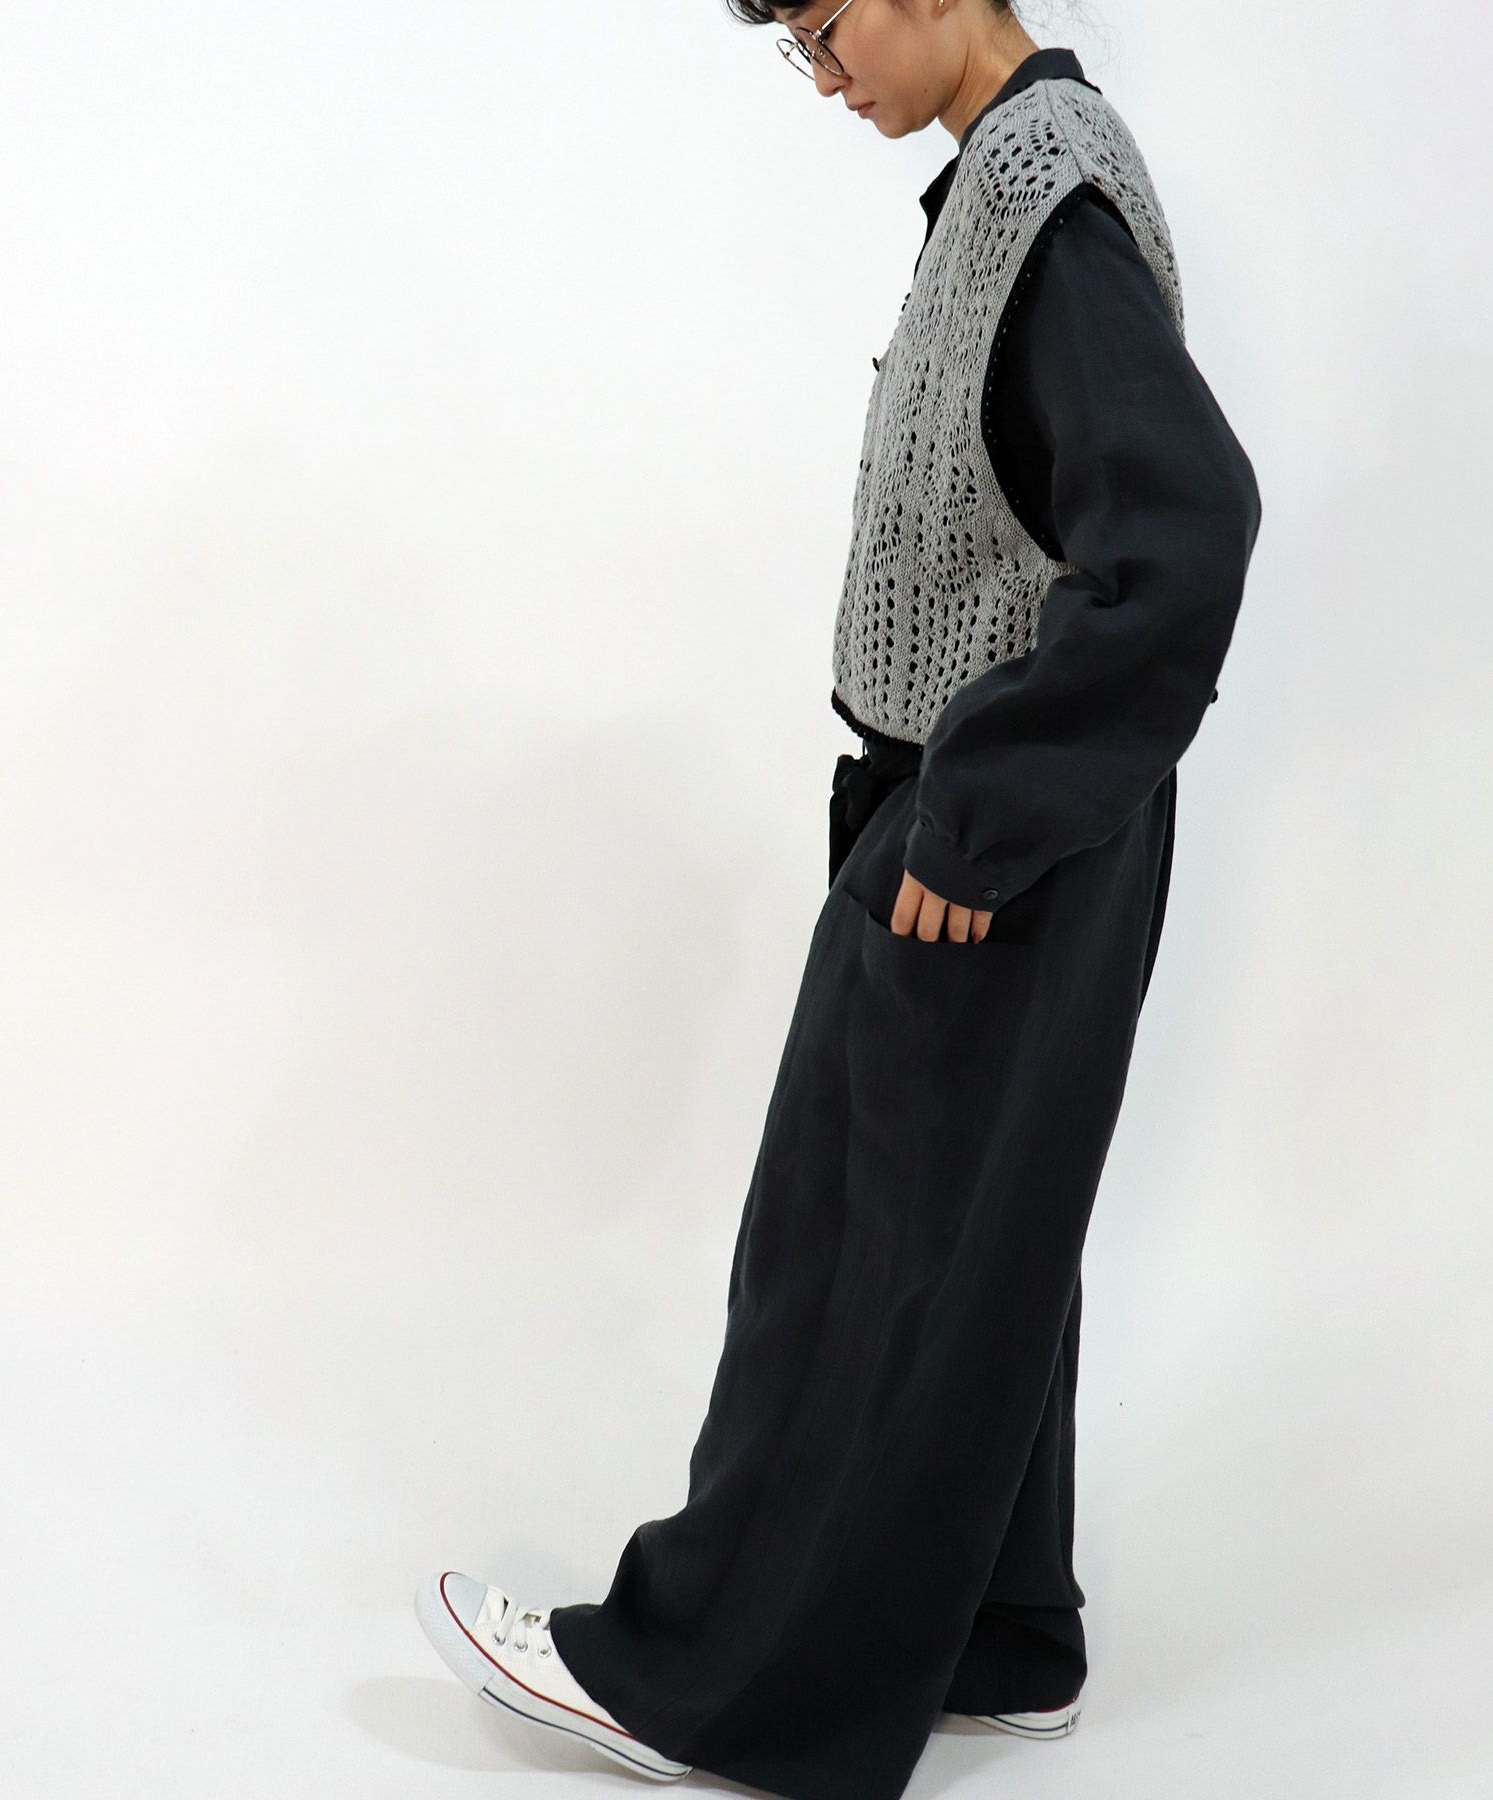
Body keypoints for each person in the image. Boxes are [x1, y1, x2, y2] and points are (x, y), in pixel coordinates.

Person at [415, 5, 1263, 1798]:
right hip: (1015, 820)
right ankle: (998, 1632)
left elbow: (1184, 533)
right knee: (976, 1243)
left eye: (823, 27)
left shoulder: (1050, 203)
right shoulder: (1024, 176)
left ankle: (703, 1681)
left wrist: (979, 814)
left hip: (989, 838)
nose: (823, 78)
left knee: (854, 1253)